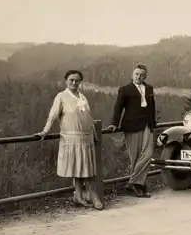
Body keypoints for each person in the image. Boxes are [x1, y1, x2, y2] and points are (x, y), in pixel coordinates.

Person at [36, 70, 104, 209]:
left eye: (77, 80)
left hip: (86, 138)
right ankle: (94, 196)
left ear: (80, 82)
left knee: (82, 167)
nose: (74, 83)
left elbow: (89, 118)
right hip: (72, 138)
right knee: (83, 169)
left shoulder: (82, 97)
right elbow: (53, 116)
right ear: (66, 81)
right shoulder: (61, 97)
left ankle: (78, 196)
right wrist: (45, 131)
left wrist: (94, 136)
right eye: (71, 80)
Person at [106, 64, 156, 198]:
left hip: (147, 125)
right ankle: (140, 186)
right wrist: (114, 123)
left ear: (145, 76)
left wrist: (153, 122)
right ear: (132, 74)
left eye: (142, 74)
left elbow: (152, 107)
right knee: (135, 157)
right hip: (132, 126)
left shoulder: (149, 88)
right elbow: (118, 107)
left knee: (148, 154)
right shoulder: (125, 90)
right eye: (136, 74)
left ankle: (132, 183)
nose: (139, 77)